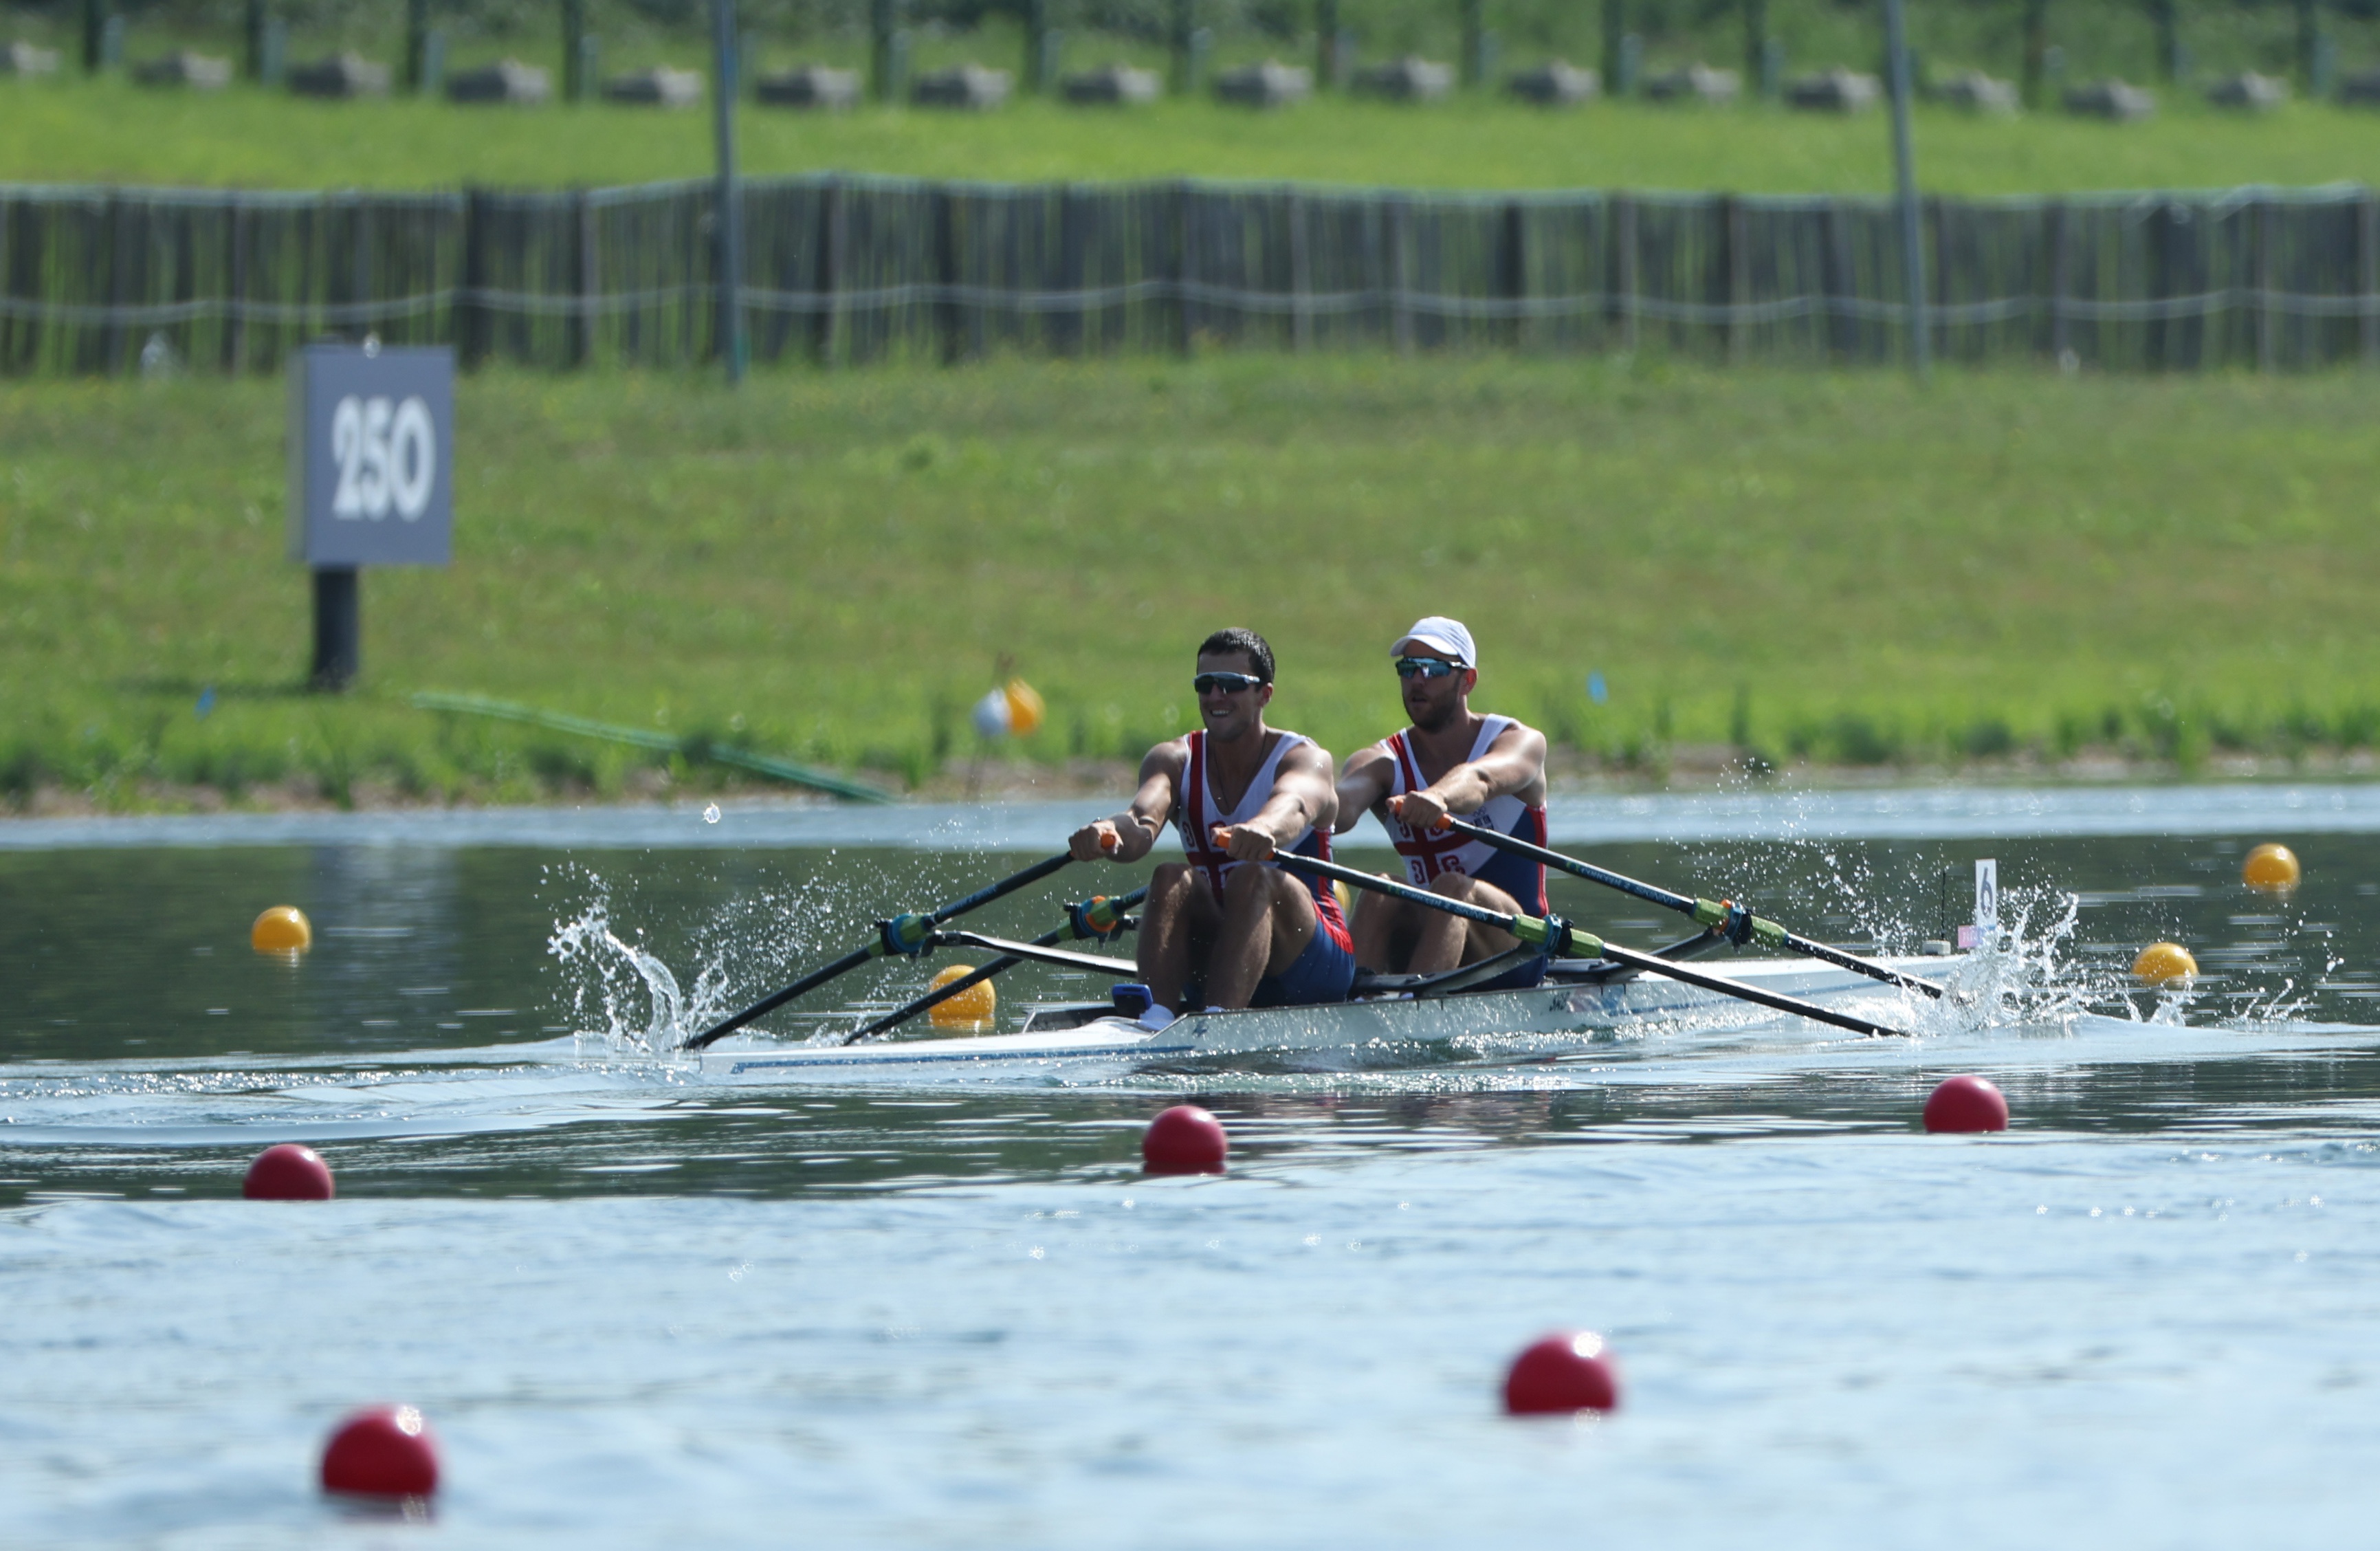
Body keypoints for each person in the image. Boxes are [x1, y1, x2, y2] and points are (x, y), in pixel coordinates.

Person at [1069, 628, 1356, 1026]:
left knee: (1253, 878)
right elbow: (1139, 822)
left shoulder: (1306, 759)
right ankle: (1156, 1018)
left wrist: (1263, 829)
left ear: (1265, 695)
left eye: (1232, 685)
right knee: (1170, 876)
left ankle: (1218, 1023)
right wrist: (1107, 832)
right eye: (1206, 685)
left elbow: (1294, 804)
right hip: (1225, 956)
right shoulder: (1174, 759)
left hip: (1311, 966)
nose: (1217, 697)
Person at [1334, 616, 1552, 986]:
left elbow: (1480, 780)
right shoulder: (1381, 762)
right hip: (1431, 940)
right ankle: (1353, 1006)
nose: (1417, 681)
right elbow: (1338, 810)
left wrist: (1438, 797)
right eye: (1407, 669)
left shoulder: (1519, 742)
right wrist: (1288, 813)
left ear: (1467, 680)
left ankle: (1416, 1007)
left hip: (1517, 949)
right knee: (1381, 888)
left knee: (1453, 887)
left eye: (1433, 669)